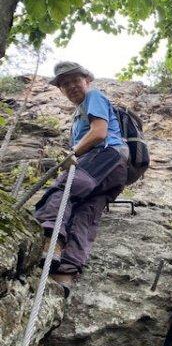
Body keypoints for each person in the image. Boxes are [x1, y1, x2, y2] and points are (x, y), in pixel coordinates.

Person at [35, 62, 129, 296]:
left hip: (105, 155)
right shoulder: (78, 116)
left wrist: (72, 153)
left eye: (75, 80)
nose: (71, 86)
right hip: (114, 171)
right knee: (84, 214)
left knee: (62, 190)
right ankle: (65, 273)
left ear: (87, 80)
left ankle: (51, 243)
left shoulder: (93, 97)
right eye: (64, 84)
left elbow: (99, 132)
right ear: (60, 90)